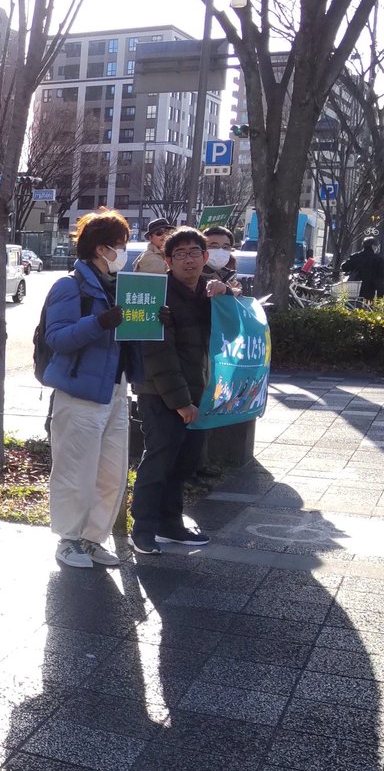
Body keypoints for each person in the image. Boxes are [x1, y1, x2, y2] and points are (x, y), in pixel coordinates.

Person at [43, 210, 144, 569]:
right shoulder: (70, 286)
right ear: (101, 248)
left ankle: (92, 538)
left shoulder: (122, 287)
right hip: (79, 393)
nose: (124, 252)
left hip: (116, 390)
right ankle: (68, 540)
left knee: (111, 472)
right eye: (120, 245)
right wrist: (99, 322)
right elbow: (57, 338)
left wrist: (154, 325)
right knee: (76, 472)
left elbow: (130, 341)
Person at [130, 226, 222, 555]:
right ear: (168, 261)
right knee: (158, 460)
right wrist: (182, 402)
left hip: (198, 394)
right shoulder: (158, 294)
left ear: (205, 257)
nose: (188, 260)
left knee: (185, 462)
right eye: (179, 254)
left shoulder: (209, 294)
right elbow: (157, 352)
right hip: (160, 393)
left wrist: (227, 295)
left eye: (194, 253)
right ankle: (142, 528)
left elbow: (233, 330)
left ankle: (171, 524)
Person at [201, 225, 243, 297]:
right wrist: (229, 292)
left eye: (225, 247)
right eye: (214, 246)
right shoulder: (193, 276)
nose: (220, 251)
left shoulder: (230, 277)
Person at [341, 236, 382, 301]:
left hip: (355, 286)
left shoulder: (356, 256)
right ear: (373, 246)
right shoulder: (379, 259)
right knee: (367, 307)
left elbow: (344, 267)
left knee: (352, 305)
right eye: (377, 246)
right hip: (370, 288)